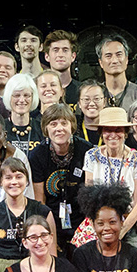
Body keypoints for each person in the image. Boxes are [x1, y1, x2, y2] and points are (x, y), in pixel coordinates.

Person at [29, 103, 90, 247]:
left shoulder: (86, 150)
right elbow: (40, 200)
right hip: (52, 218)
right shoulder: (37, 155)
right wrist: (46, 231)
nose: (59, 129)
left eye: (64, 123)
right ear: (46, 128)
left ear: (72, 126)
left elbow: (90, 195)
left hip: (81, 219)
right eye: (53, 124)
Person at [0, 158, 53, 272]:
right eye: (8, 178)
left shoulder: (43, 212)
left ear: (27, 180)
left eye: (19, 177)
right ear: (1, 182)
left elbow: (52, 254)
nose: (14, 182)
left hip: (36, 271)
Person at [83, 108, 137, 239]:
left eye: (118, 130)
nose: (113, 134)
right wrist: (99, 228)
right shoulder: (91, 156)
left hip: (127, 225)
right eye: (108, 130)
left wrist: (121, 231)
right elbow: (88, 198)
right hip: (97, 224)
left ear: (125, 133)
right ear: (101, 133)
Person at [97, 35, 137, 110]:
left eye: (119, 55)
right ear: (100, 62)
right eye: (108, 56)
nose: (115, 60)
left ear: (126, 59)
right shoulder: (95, 95)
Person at [3, 73, 42, 154]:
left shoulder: (41, 128)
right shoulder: (0, 128)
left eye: (26, 95)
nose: (21, 100)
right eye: (16, 95)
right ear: (8, 97)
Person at [43, 29, 81, 106]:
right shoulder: (39, 91)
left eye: (65, 50)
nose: (60, 55)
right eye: (55, 50)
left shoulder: (82, 90)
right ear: (47, 56)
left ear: (73, 56)